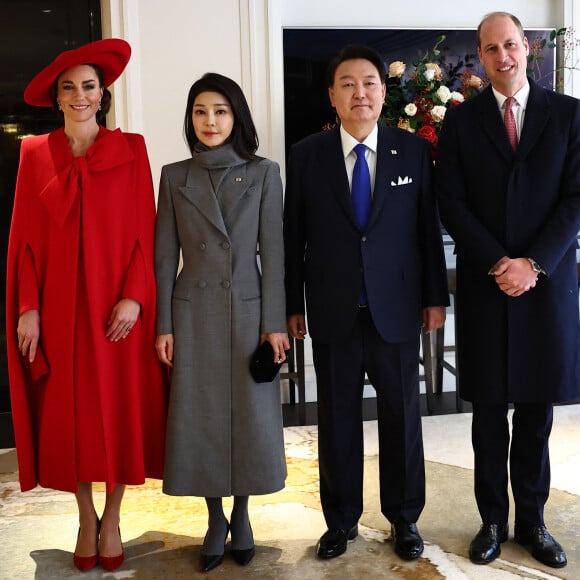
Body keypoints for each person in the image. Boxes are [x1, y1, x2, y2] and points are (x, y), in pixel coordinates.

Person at [6, 39, 168, 572]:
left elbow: (147, 232)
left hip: (116, 312)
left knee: (119, 410)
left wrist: (136, 297)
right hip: (58, 311)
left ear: (104, 93)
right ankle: (83, 516)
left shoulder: (133, 148)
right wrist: (27, 307)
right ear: (58, 98)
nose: (80, 96)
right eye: (69, 88)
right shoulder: (34, 153)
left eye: (89, 86)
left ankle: (115, 515)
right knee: (69, 416)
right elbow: (24, 241)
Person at [284, 44, 449, 562]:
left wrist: (435, 298)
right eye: (348, 84)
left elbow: (426, 232)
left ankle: (404, 519)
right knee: (336, 421)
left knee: (402, 418)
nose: (360, 92)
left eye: (370, 83)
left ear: (384, 91)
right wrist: (293, 305)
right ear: (332, 95)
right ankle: (340, 521)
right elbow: (294, 237)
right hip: (333, 310)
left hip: (396, 310)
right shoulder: (307, 154)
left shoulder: (413, 152)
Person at [434, 11, 580, 569]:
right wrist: (500, 261)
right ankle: (492, 520)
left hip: (545, 287)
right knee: (489, 414)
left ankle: (533, 521)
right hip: (487, 285)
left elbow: (575, 199)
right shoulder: (462, 121)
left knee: (537, 414)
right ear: (480, 56)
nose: (503, 57)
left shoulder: (567, 116)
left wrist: (533, 263)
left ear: (528, 49)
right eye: (491, 49)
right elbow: (452, 202)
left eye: (512, 45)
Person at [155, 72, 289, 573]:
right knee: (199, 417)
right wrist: (163, 324)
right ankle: (214, 516)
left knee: (250, 419)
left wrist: (273, 322)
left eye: (220, 111)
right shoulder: (173, 175)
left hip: (249, 312)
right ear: (190, 119)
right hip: (193, 313)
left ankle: (243, 511)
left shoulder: (263, 173)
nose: (210, 122)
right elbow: (164, 257)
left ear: (237, 117)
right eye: (200, 112)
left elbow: (274, 253)